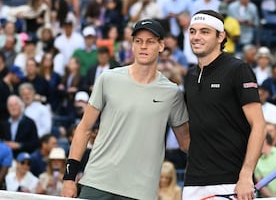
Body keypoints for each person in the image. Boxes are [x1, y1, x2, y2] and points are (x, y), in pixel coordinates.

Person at [61, 19, 189, 200]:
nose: (143, 46)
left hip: (140, 191)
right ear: (132, 45)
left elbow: (186, 143)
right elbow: (84, 128)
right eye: (138, 41)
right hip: (97, 182)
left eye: (150, 41)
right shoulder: (108, 78)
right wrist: (69, 177)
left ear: (161, 45)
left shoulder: (172, 92)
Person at [183, 10, 266, 200]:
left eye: (205, 32)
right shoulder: (190, 76)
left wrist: (245, 176)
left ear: (221, 36)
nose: (196, 37)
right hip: (193, 182)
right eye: (193, 31)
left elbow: (259, 125)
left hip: (230, 182)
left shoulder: (238, 70)